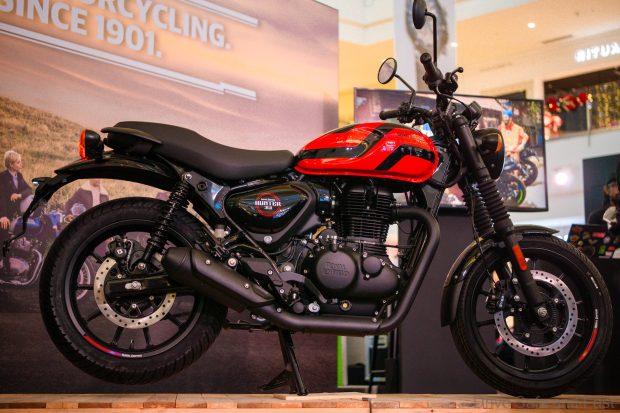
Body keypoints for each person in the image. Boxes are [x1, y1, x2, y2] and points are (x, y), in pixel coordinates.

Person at [0, 150, 32, 234]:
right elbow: (1, 198)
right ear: (11, 164)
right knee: (5, 234)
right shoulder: (2, 177)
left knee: (31, 197)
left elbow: (29, 190)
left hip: (17, 210)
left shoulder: (19, 175)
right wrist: (3, 216)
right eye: (18, 162)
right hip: (6, 211)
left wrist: (19, 195)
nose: (21, 164)